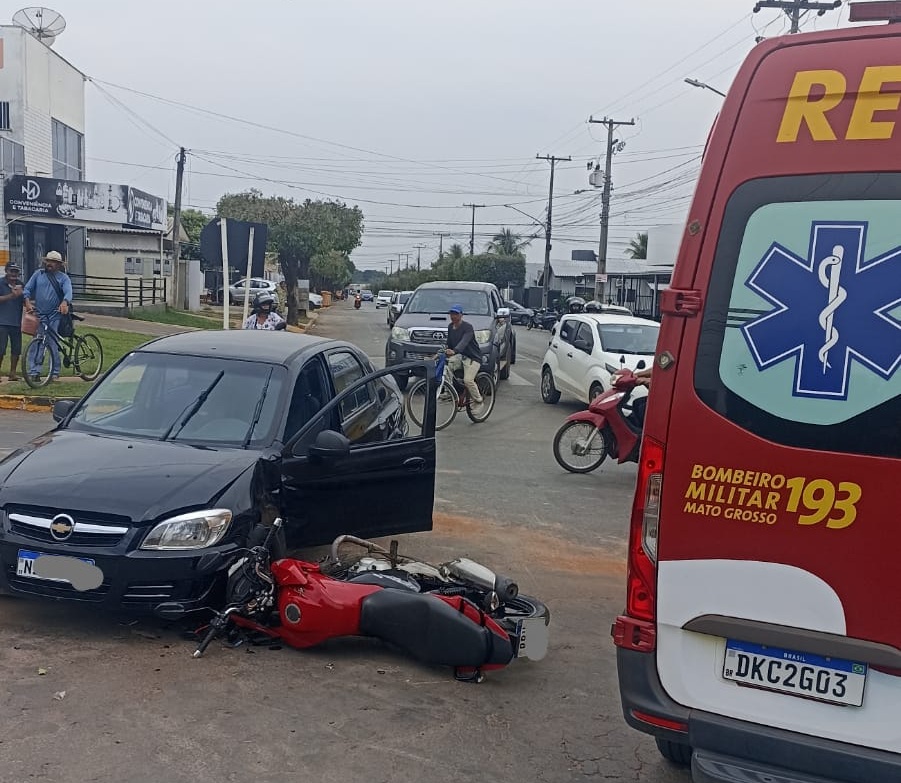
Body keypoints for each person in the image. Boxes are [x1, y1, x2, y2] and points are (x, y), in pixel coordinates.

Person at [23, 250, 73, 383]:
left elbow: (68, 292)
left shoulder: (63, 278)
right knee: (37, 342)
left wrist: (64, 302)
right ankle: (33, 371)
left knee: (51, 342)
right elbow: (27, 289)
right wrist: (27, 303)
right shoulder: (38, 274)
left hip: (55, 315)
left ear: (59, 265)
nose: (50, 264)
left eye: (54, 262)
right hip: (40, 315)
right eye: (49, 261)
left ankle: (54, 371)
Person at [444, 304, 484, 407]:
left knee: (468, 380)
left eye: (456, 314)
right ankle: (450, 392)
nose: (453, 316)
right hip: (460, 357)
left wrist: (455, 350)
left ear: (461, 315)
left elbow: (464, 341)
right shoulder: (450, 327)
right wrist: (443, 351)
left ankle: (478, 401)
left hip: (473, 358)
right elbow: (449, 343)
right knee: (446, 369)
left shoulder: (468, 327)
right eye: (452, 314)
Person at [0, 263, 24, 380]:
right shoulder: (1, 283)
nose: (14, 274)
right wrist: (11, 296)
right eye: (12, 271)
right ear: (6, 271)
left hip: (16, 322)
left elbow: (26, 299)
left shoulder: (20, 284)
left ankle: (12, 373)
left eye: (16, 271)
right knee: (1, 348)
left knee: (16, 348)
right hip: (2, 322)